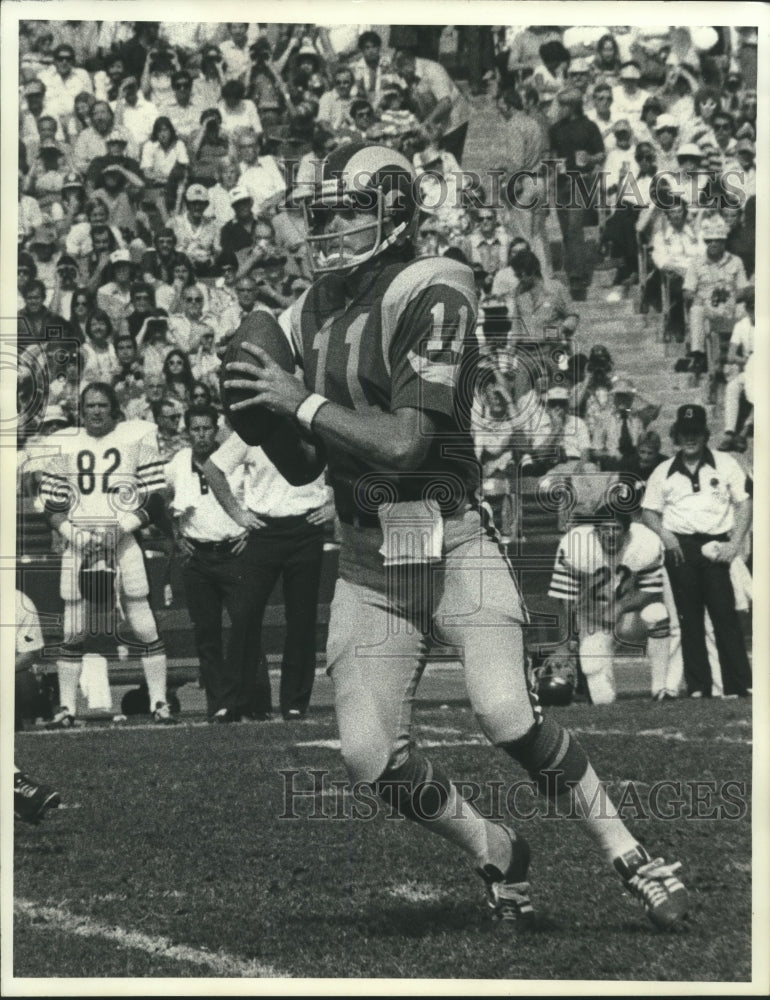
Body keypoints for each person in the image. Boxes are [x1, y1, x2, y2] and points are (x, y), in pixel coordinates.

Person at [222, 141, 689, 928]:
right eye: (322, 215)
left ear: (394, 214)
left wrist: (295, 399)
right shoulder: (308, 311)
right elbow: (304, 466)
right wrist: (259, 413)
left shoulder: (435, 287)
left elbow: (405, 443)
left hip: (452, 542)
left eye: (344, 214)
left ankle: (627, 852)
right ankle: (495, 847)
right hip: (372, 562)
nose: (328, 231)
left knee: (506, 712)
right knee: (371, 757)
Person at [38, 382, 177, 726]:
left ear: (114, 409)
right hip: (79, 542)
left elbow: (153, 498)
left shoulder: (136, 437)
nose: (95, 411)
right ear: (80, 410)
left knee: (143, 622)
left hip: (124, 540)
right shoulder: (66, 443)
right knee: (73, 629)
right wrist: (77, 536)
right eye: (89, 406)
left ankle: (160, 702)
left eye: (102, 405)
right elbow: (52, 505)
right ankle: (67, 708)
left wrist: (120, 529)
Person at [203, 426, 333, 721]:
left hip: (307, 527)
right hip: (264, 530)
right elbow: (213, 469)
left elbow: (343, 461)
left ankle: (295, 702)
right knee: (245, 616)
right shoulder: (253, 430)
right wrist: (238, 514)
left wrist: (334, 505)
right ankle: (233, 701)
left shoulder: (312, 427)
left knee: (301, 618)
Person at [641, 404, 752, 698]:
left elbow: (743, 503)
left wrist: (735, 542)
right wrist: (666, 535)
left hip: (717, 546)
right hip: (681, 548)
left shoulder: (725, 463)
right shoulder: (663, 471)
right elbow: (649, 511)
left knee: (724, 615)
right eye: (685, 433)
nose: (690, 438)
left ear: (704, 435)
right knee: (688, 619)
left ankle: (740, 684)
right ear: (676, 435)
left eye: (696, 433)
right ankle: (698, 686)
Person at [165, 406, 261, 720]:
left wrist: (250, 532)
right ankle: (219, 704)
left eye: (207, 428)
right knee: (207, 634)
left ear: (215, 429)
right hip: (199, 557)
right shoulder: (178, 462)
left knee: (245, 628)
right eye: (195, 429)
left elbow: (258, 495)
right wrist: (177, 536)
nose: (202, 435)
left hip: (235, 552)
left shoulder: (233, 457)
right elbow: (164, 500)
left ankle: (251, 702)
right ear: (187, 431)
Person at [548, 502, 675, 705]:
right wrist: (564, 643)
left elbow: (651, 591)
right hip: (594, 620)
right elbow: (565, 598)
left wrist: (620, 607)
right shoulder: (575, 545)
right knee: (601, 695)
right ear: (595, 531)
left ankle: (660, 690)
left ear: (627, 531)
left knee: (657, 613)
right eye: (604, 529)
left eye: (616, 528)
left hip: (629, 618)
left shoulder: (645, 541)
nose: (610, 534)